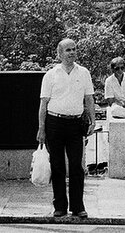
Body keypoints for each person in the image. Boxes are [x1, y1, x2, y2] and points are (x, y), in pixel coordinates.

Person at [37, 38, 95, 219]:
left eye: (74, 49)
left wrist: (93, 121)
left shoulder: (84, 73)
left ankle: (78, 207)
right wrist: (41, 128)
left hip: (76, 124)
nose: (71, 53)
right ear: (59, 53)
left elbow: (89, 99)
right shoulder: (51, 74)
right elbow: (43, 103)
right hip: (54, 123)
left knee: (77, 166)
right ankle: (60, 206)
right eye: (68, 50)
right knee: (57, 166)